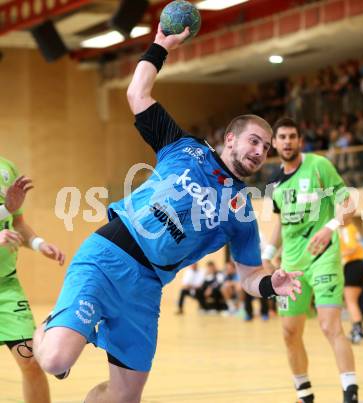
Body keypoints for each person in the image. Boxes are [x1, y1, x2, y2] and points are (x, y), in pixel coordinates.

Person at [32, 26, 302, 403]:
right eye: (253, 140)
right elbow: (136, 93)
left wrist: (273, 283)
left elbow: (249, 275)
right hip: (108, 257)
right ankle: (46, 330)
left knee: (125, 397)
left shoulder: (241, 213)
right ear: (230, 138)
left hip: (146, 287)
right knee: (56, 358)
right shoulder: (184, 148)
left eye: (266, 147)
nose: (260, 150)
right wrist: (161, 45)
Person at [263, 117, 359, 403]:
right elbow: (280, 224)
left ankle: (350, 392)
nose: (288, 141)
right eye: (282, 137)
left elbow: (349, 204)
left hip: (323, 256)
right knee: (289, 332)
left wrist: (330, 228)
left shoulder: (319, 166)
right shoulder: (275, 183)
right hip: (291, 266)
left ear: (300, 140)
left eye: (293, 136)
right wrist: (267, 255)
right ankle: (304, 392)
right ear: (275, 143)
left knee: (330, 325)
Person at [0, 156, 65, 403]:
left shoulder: (6, 169)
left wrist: (39, 244)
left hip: (6, 288)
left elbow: (16, 223)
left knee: (31, 361)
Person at [339, 219, 363, 344]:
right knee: (353, 301)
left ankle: (358, 331)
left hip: (353, 265)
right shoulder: (352, 228)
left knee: (350, 301)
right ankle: (357, 329)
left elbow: (352, 248)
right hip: (358, 265)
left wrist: (337, 256)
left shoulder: (347, 229)